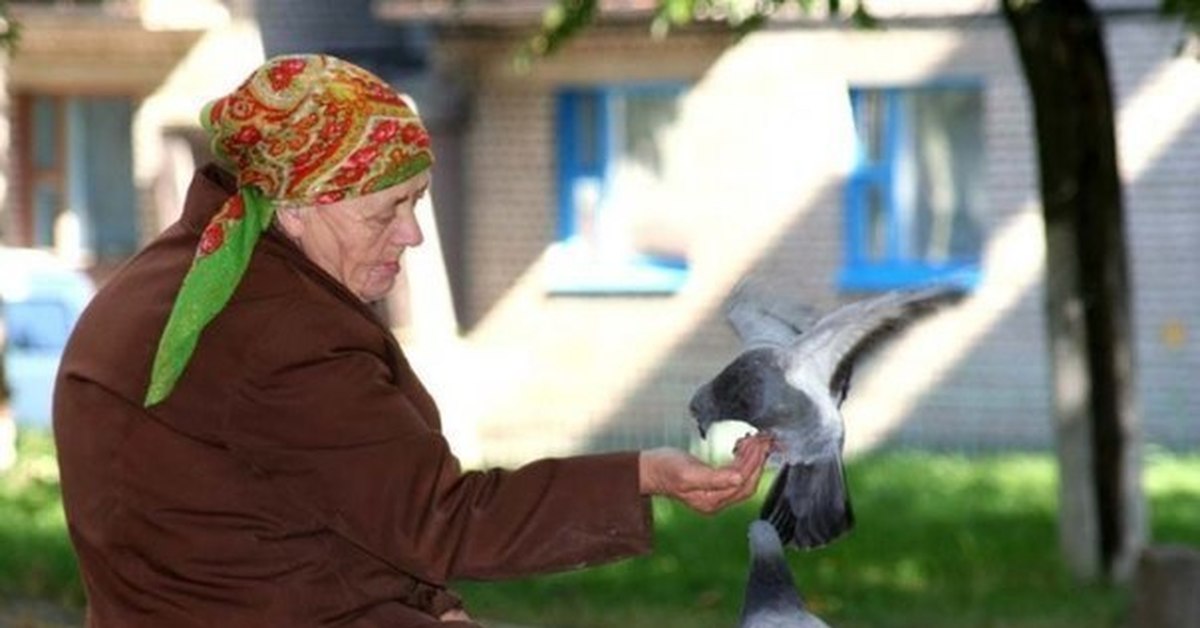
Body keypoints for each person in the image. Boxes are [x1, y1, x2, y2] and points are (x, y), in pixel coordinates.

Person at [53, 54, 771, 627]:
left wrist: (431, 605)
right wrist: (645, 474)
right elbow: (440, 520)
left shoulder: (168, 276)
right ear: (303, 203)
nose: (413, 235)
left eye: (417, 203)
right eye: (388, 210)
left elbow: (293, 503)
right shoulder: (280, 331)